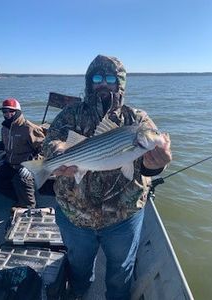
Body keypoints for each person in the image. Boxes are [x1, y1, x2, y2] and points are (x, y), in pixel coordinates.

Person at [43, 55, 172, 300]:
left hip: (123, 216)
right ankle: (80, 293)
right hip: (75, 215)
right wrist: (57, 153)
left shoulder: (137, 119)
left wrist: (156, 165)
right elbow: (52, 140)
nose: (104, 83)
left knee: (120, 271)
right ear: (89, 82)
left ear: (120, 83)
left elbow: (147, 167)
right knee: (79, 267)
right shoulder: (71, 113)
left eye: (110, 78)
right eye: (98, 78)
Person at [0, 98, 45, 208]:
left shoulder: (29, 128)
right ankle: (18, 199)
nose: (7, 114)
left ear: (18, 112)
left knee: (22, 178)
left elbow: (44, 149)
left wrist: (30, 165)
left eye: (11, 111)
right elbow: (4, 145)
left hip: (27, 165)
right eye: (4, 111)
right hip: (10, 163)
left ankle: (30, 206)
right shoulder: (4, 128)